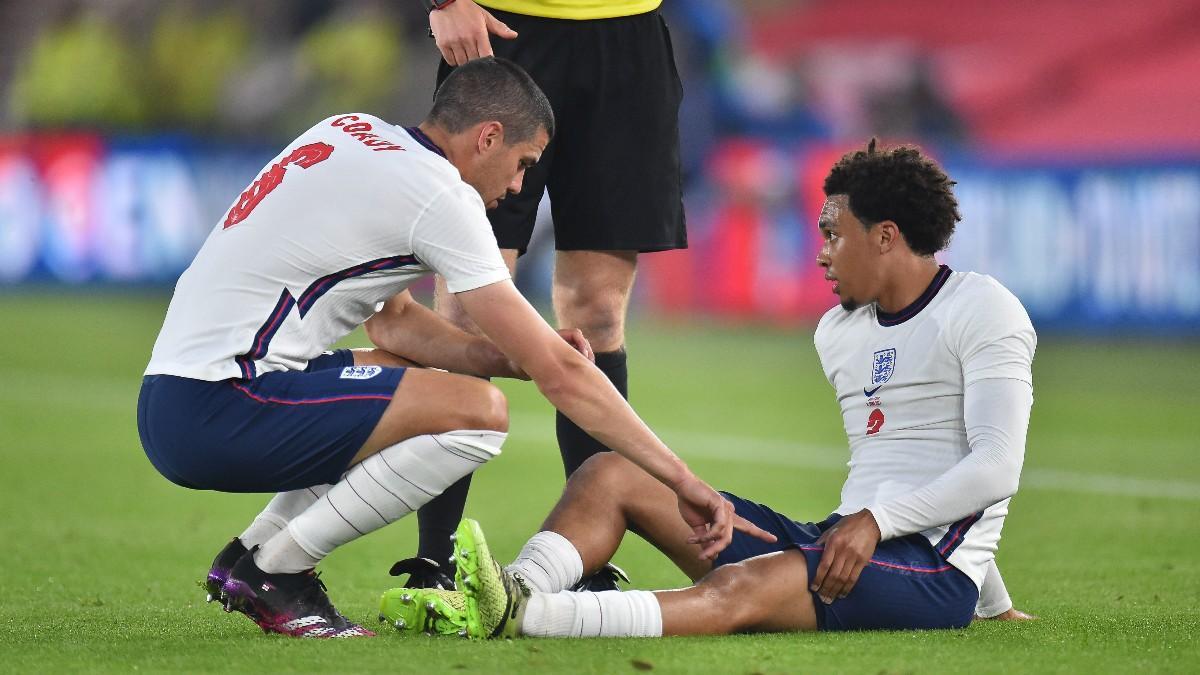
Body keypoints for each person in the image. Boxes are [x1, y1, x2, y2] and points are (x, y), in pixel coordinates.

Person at [136, 57, 770, 639]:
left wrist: (514, 355)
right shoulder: (442, 195)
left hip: (176, 396)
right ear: (486, 137)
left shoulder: (348, 131)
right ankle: (280, 570)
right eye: (525, 162)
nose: (522, 186)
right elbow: (561, 375)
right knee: (478, 415)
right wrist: (682, 480)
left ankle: (252, 555)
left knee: (409, 377)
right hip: (220, 406)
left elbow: (395, 327)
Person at [381, 140, 1037, 637]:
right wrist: (875, 530)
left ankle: (532, 615)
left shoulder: (985, 310)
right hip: (842, 542)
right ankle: (504, 591)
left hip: (928, 571)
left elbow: (994, 465)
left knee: (742, 585)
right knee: (609, 473)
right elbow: (903, 463)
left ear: (886, 236)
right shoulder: (840, 332)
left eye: (834, 235)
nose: (822, 254)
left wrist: (956, 574)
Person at [396, 0, 689, 584]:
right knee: (465, 311)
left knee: (600, 314)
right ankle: (436, 559)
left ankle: (587, 556)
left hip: (628, 38)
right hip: (507, 28)